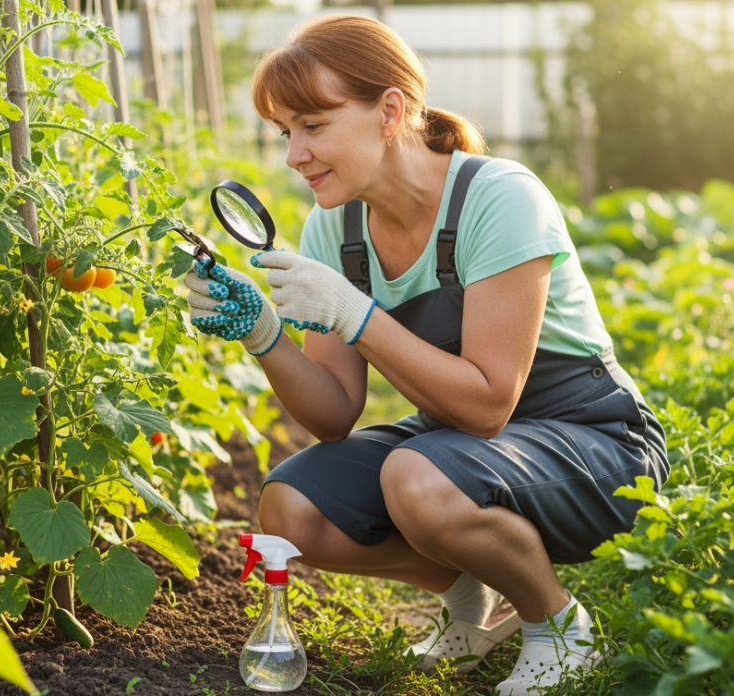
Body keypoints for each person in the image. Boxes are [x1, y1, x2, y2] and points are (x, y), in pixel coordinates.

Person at [185, 15, 668, 696]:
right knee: (292, 507)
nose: (293, 154)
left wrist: (356, 313)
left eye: (314, 126)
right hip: (463, 443)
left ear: (390, 111)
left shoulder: (498, 198)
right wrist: (263, 333)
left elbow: (489, 403)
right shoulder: (334, 226)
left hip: (596, 441)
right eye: (285, 132)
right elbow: (332, 414)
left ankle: (560, 630)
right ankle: (469, 596)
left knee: (417, 477)